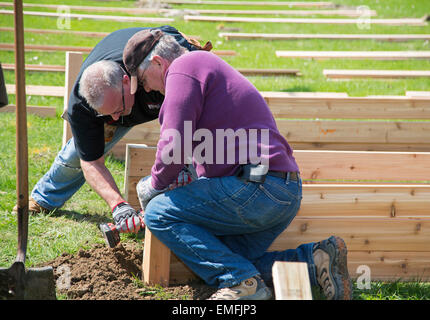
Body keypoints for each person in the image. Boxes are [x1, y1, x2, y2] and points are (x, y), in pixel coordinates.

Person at [124, 30, 353, 300]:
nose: (148, 89)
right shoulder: (204, 67)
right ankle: (315, 260)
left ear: (158, 63)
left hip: (254, 188)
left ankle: (241, 284)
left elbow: (174, 145)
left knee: (159, 213)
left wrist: (154, 185)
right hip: (282, 190)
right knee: (227, 255)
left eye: (143, 80)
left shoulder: (183, 69)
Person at [17, 26, 204, 233]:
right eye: (108, 114)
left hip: (165, 91)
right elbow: (91, 163)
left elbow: (190, 127)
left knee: (192, 141)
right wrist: (118, 205)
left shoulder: (161, 66)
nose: (115, 119)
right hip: (125, 98)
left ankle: (203, 202)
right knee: (76, 154)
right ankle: (44, 198)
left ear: (127, 82)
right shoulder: (83, 105)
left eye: (118, 110)